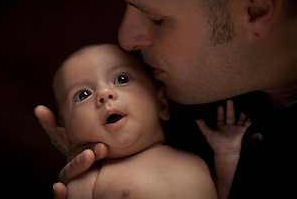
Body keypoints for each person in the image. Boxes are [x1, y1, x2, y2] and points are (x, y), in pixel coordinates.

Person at [35, 0, 297, 198]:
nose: (125, 39)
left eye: (156, 18)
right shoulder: (176, 94)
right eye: (83, 95)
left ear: (257, 9)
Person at [38, 43, 251, 198]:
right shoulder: (90, 179)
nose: (104, 93)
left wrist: (227, 154)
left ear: (163, 105)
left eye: (121, 79)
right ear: (66, 135)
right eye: (82, 95)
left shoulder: (194, 158)